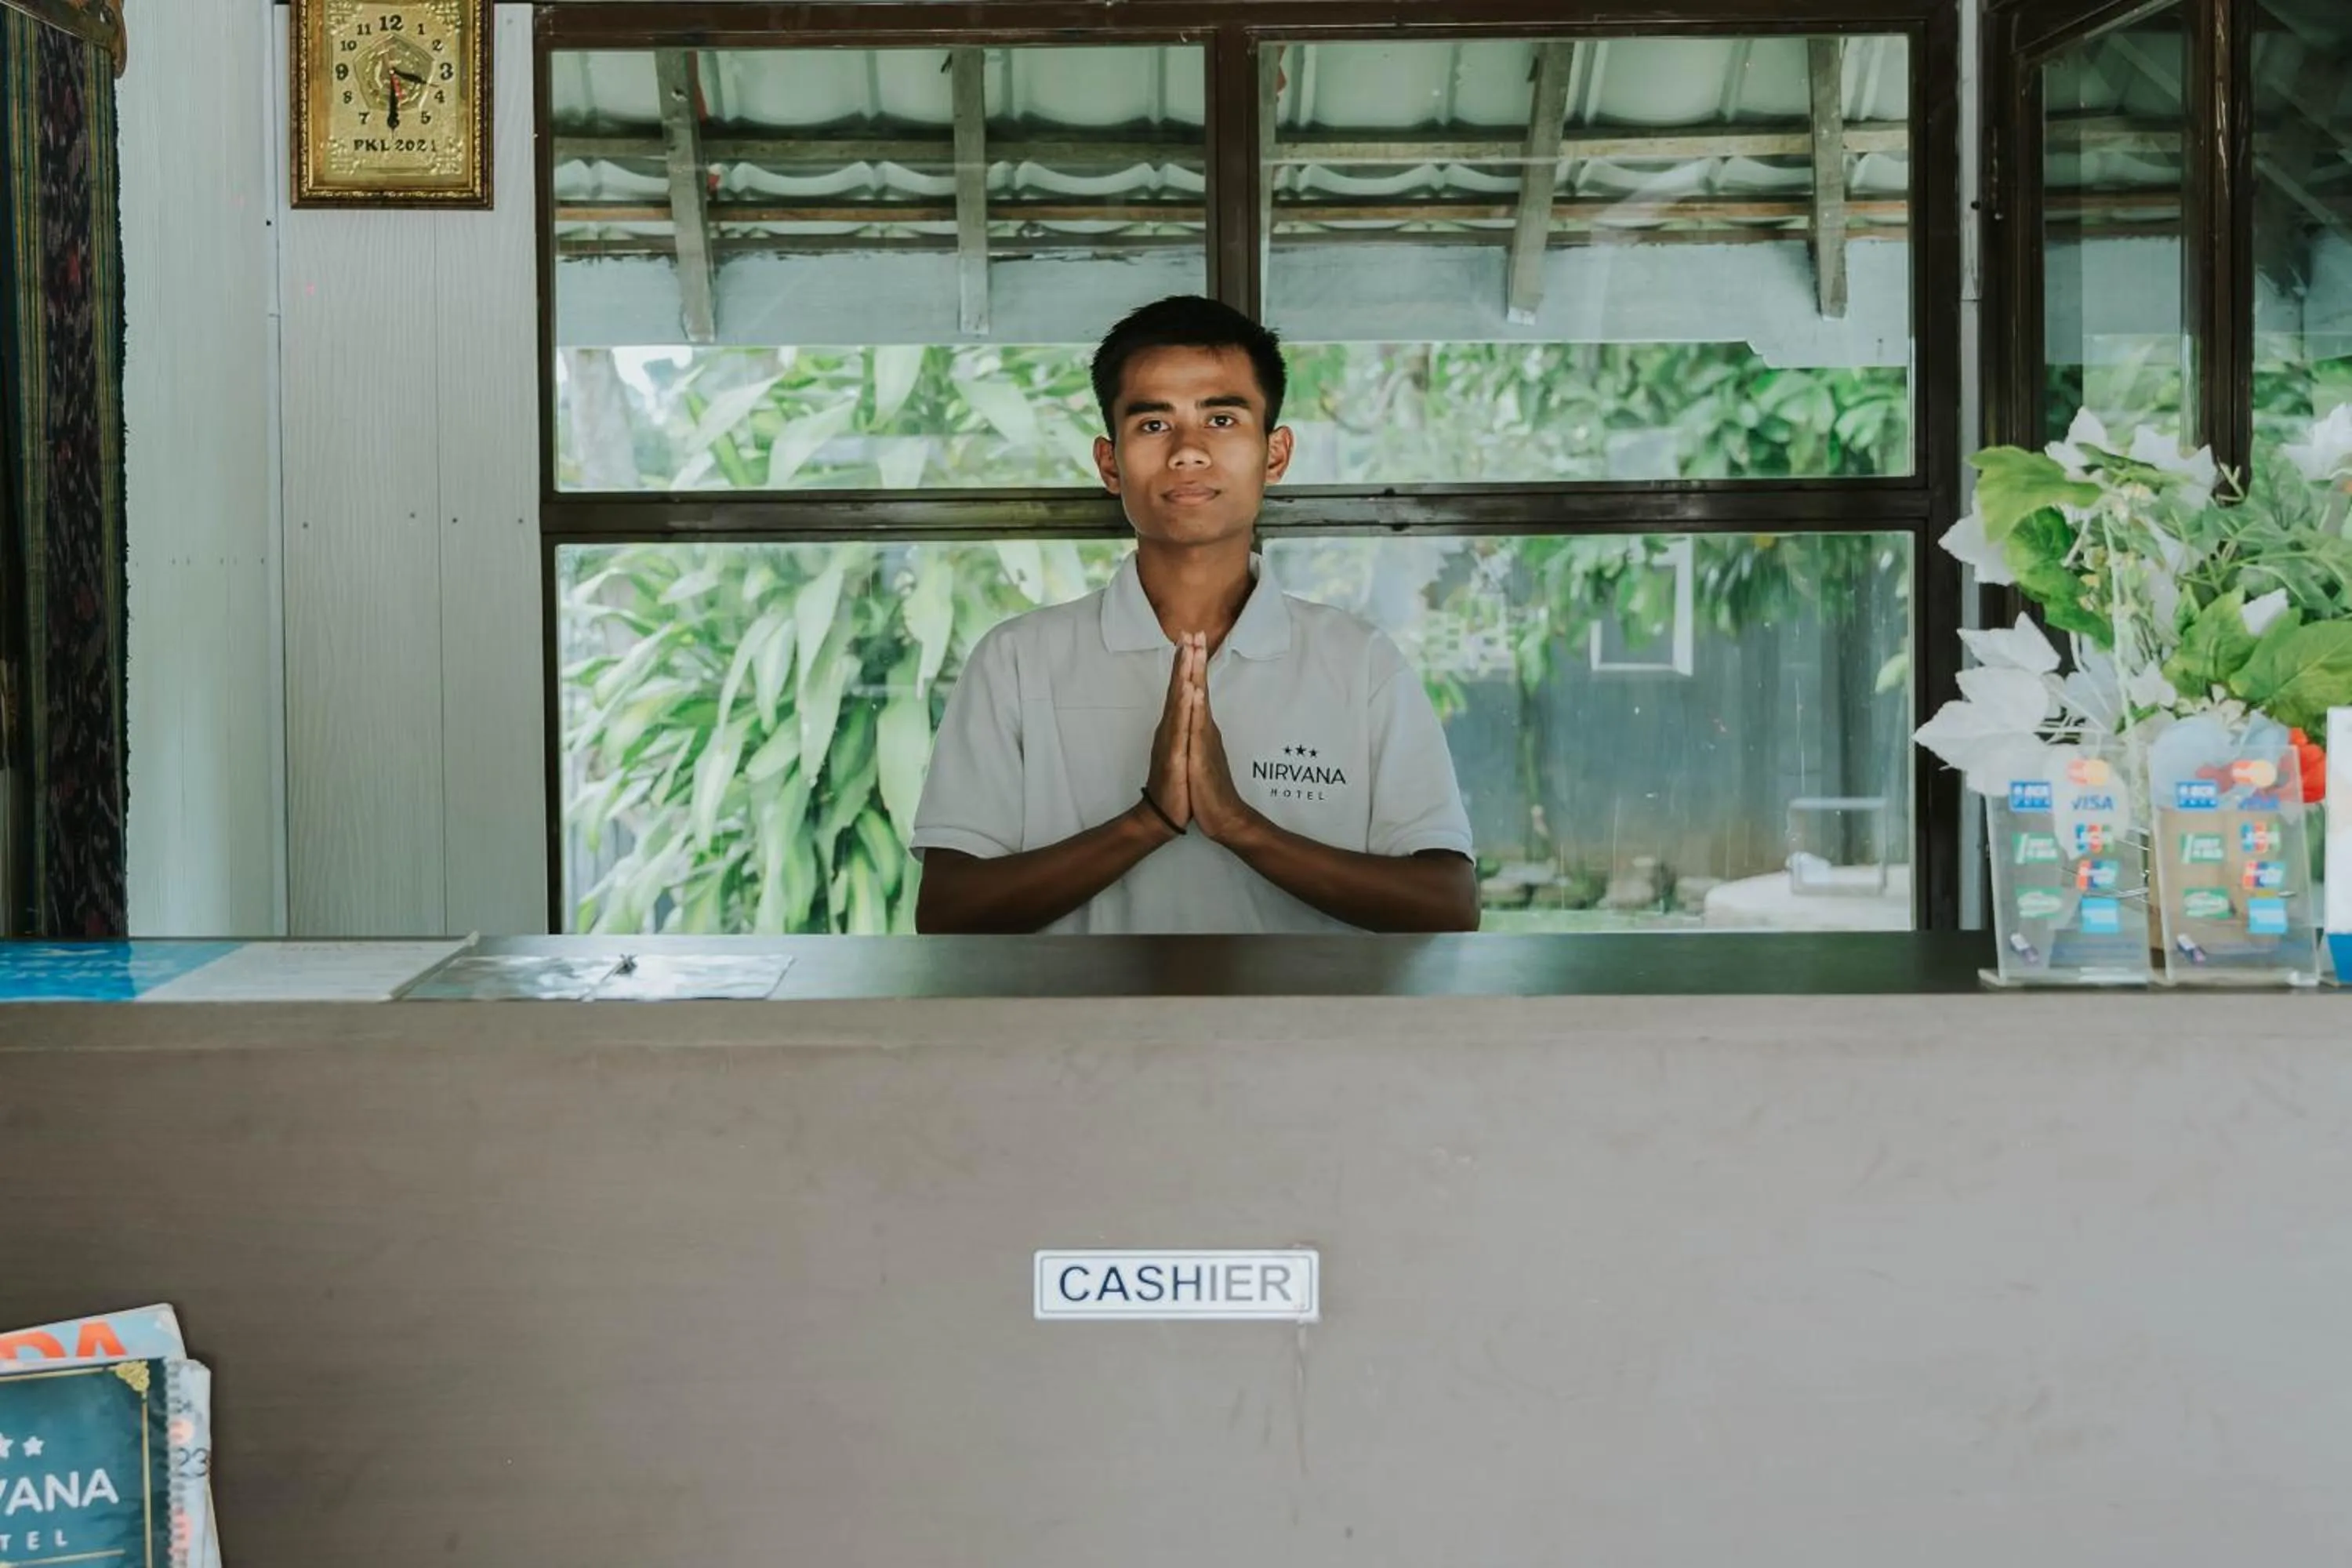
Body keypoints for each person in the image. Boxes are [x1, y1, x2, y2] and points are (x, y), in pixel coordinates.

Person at [911, 296, 1478, 935]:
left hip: (1300, 1037)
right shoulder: (1017, 661)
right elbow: (948, 911)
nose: (1187, 451)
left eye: (1222, 420)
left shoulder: (1359, 662)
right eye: (1153, 425)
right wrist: (1147, 820)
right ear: (1109, 464)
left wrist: (1238, 824)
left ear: (1275, 454)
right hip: (1079, 1037)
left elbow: (1447, 904)